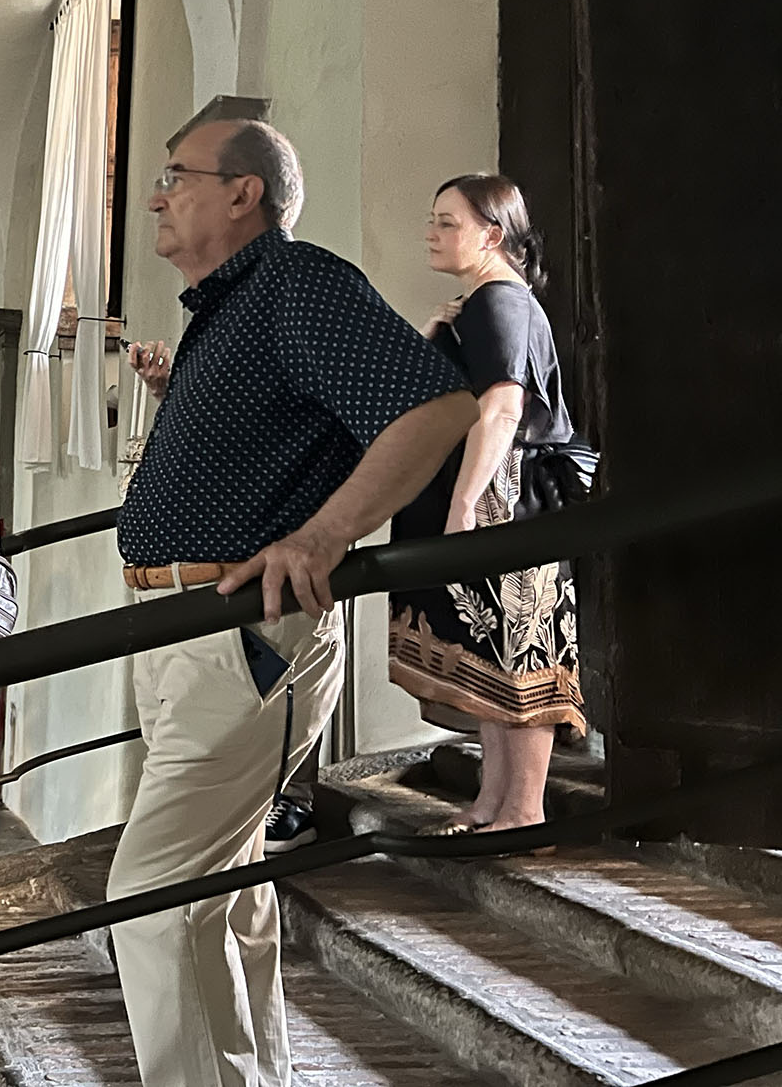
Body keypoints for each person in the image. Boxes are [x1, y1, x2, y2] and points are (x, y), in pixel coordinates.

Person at [108, 119, 475, 1087]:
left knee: (149, 896)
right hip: (184, 630)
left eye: (174, 175)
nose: (155, 195)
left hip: (244, 637)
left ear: (244, 192)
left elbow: (435, 406)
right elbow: (255, 454)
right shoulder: (228, 310)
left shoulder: (295, 283)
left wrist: (325, 535)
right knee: (219, 892)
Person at [388, 174, 585, 833]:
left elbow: (502, 410)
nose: (431, 233)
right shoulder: (479, 302)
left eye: (447, 223)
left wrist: (465, 505)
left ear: (492, 235)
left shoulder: (500, 300)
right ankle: (490, 806)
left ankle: (523, 813)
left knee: (519, 653)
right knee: (492, 656)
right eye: (433, 219)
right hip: (491, 497)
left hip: (508, 503)